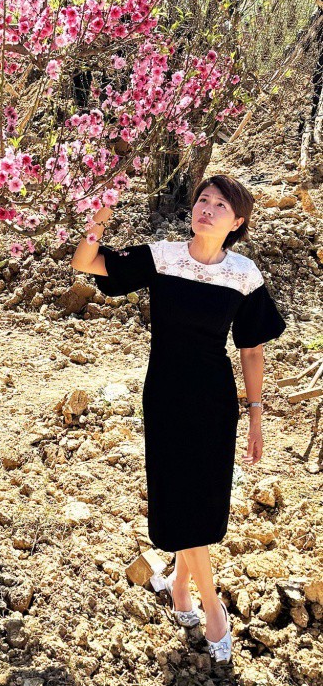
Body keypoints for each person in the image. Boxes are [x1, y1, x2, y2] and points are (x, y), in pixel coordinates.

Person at [71, 174, 286, 665]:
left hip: (214, 401)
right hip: (166, 396)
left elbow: (250, 349)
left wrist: (255, 415)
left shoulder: (244, 275)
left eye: (220, 205)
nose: (206, 209)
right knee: (178, 495)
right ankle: (214, 607)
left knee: (203, 497)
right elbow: (86, 262)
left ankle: (183, 586)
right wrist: (102, 212)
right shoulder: (163, 258)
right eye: (202, 200)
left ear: (238, 222)